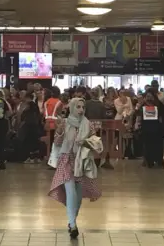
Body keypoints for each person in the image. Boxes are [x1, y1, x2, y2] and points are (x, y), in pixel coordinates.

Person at [48, 98, 101, 239]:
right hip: (66, 159)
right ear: (72, 107)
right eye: (78, 106)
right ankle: (72, 224)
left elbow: (94, 143)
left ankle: (72, 222)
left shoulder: (88, 124)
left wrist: (89, 141)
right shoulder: (65, 123)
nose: (81, 109)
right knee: (71, 191)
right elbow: (57, 142)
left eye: (83, 107)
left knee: (77, 195)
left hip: (81, 161)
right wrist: (59, 131)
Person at [136, 88, 164, 168]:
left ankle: (159, 160)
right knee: (148, 146)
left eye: (150, 96)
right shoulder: (142, 105)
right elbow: (138, 115)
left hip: (157, 129)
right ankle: (149, 161)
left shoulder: (159, 105)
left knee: (158, 146)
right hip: (146, 129)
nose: (149, 98)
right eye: (147, 96)